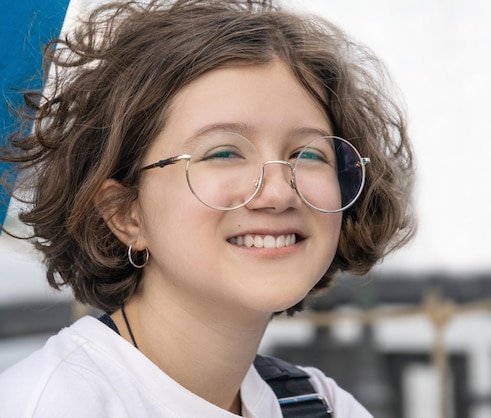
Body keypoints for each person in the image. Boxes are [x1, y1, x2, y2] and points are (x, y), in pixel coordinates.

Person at [0, 0, 415, 416]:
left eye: (309, 155)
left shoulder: (322, 405)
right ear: (125, 213)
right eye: (223, 153)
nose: (278, 193)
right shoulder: (47, 405)